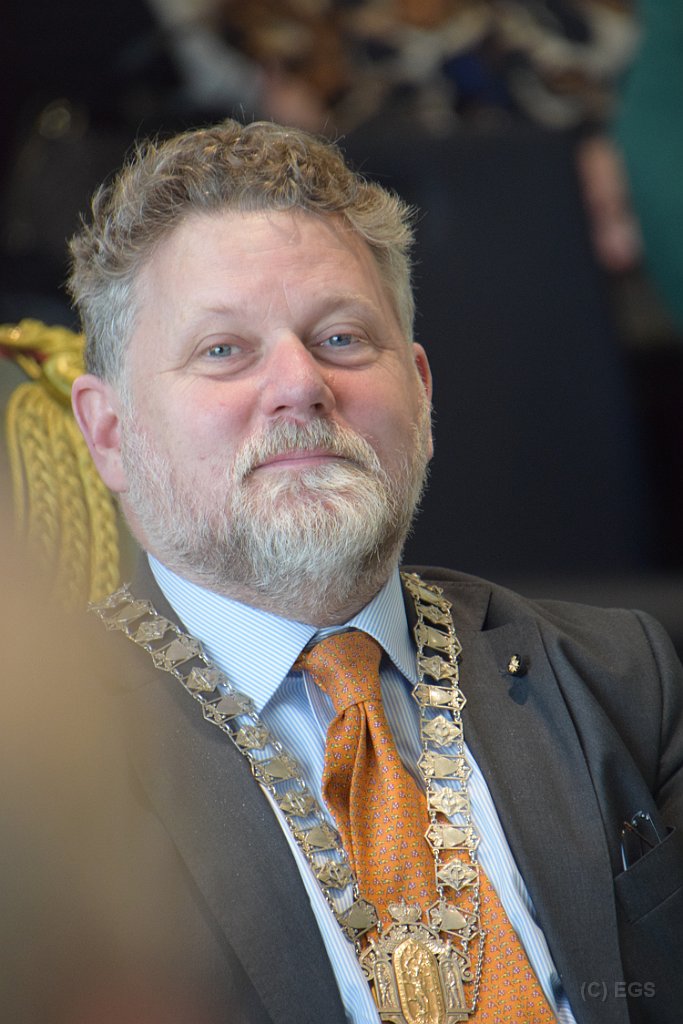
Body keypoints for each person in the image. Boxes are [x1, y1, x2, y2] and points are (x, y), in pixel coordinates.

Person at [66, 119, 682, 1024]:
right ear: (110, 433)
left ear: (421, 392)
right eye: (224, 350)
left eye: (342, 338)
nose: (300, 384)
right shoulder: (40, 761)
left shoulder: (625, 681)